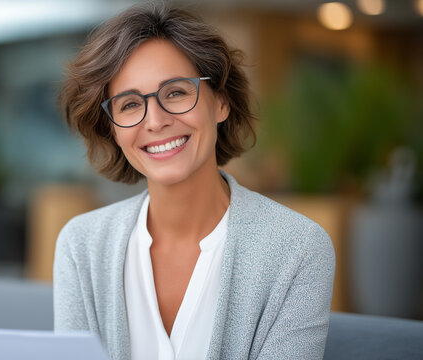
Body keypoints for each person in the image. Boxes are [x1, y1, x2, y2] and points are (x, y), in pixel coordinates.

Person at [54, 4, 335, 360]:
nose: (154, 121)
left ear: (220, 102)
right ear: (112, 130)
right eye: (128, 105)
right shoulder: (81, 247)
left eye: (175, 93)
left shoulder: (297, 250)